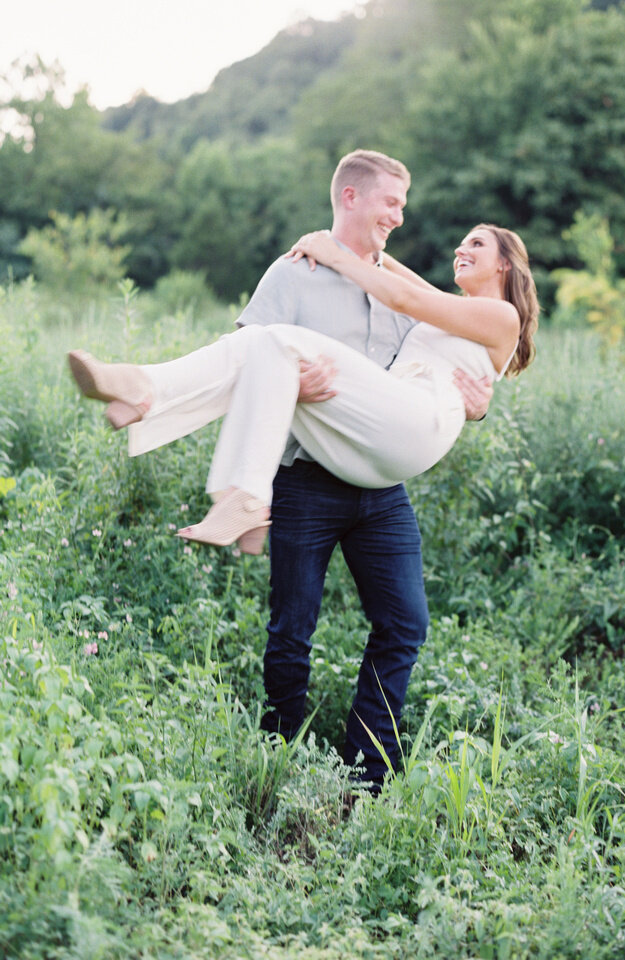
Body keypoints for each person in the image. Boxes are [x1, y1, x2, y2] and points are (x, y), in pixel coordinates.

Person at [69, 151, 513, 791]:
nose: (402, 213)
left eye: (405, 202)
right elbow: (250, 356)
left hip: (382, 480)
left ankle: (370, 770)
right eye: (392, 200)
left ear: (504, 266)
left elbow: (430, 333)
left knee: (404, 623)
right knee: (291, 626)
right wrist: (292, 380)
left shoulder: (413, 296)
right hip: (308, 473)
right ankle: (281, 752)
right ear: (351, 197)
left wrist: (476, 405)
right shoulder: (295, 271)